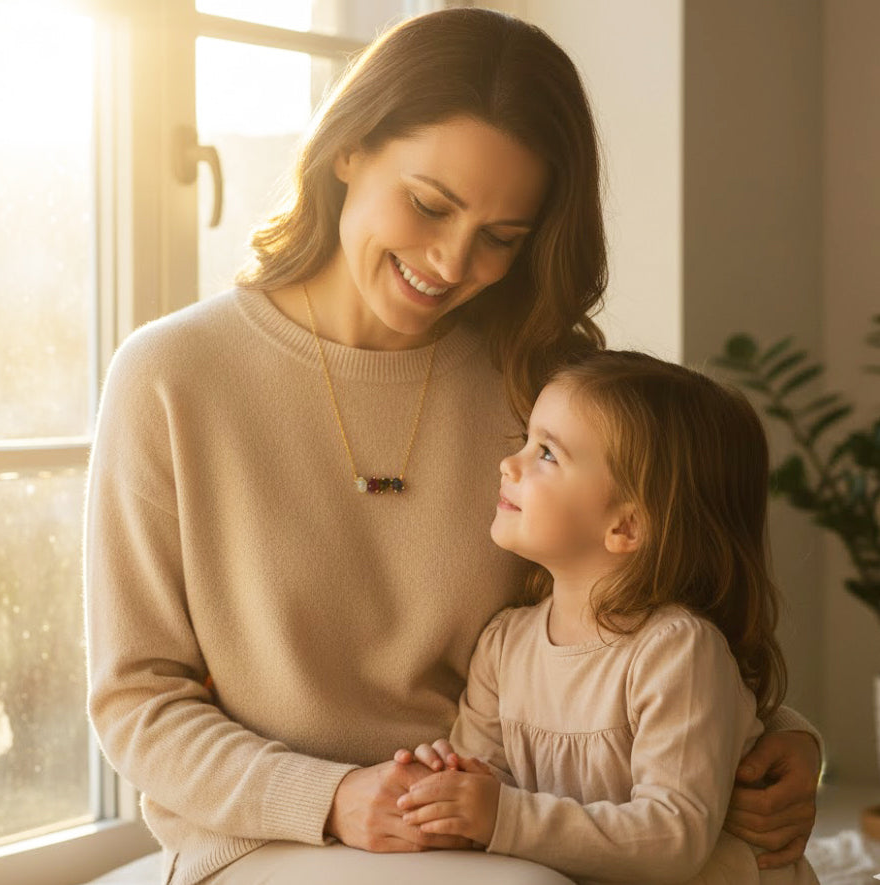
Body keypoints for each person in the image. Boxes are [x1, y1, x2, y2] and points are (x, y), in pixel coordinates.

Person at [84, 8, 821, 885]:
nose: (449, 261)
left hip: (522, 809)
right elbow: (138, 700)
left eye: (501, 238)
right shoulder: (172, 375)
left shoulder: (541, 377)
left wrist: (781, 741)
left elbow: (645, 603)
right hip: (272, 833)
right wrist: (334, 796)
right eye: (429, 205)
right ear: (348, 149)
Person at [394, 351, 819, 884]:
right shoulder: (503, 647)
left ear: (627, 526)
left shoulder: (678, 652)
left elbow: (673, 838)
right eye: (525, 440)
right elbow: (490, 788)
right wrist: (449, 786)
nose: (509, 464)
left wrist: (501, 815)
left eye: (547, 453)